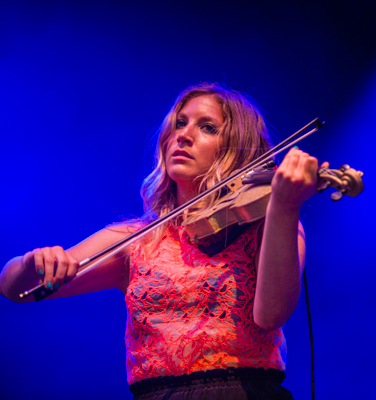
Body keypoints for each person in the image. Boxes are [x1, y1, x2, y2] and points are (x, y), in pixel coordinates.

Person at [0, 82, 324, 399]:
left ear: (239, 149)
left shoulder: (267, 225)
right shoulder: (137, 239)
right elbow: (13, 288)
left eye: (208, 128)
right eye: (180, 123)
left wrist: (284, 206)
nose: (183, 135)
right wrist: (31, 264)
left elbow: (272, 315)